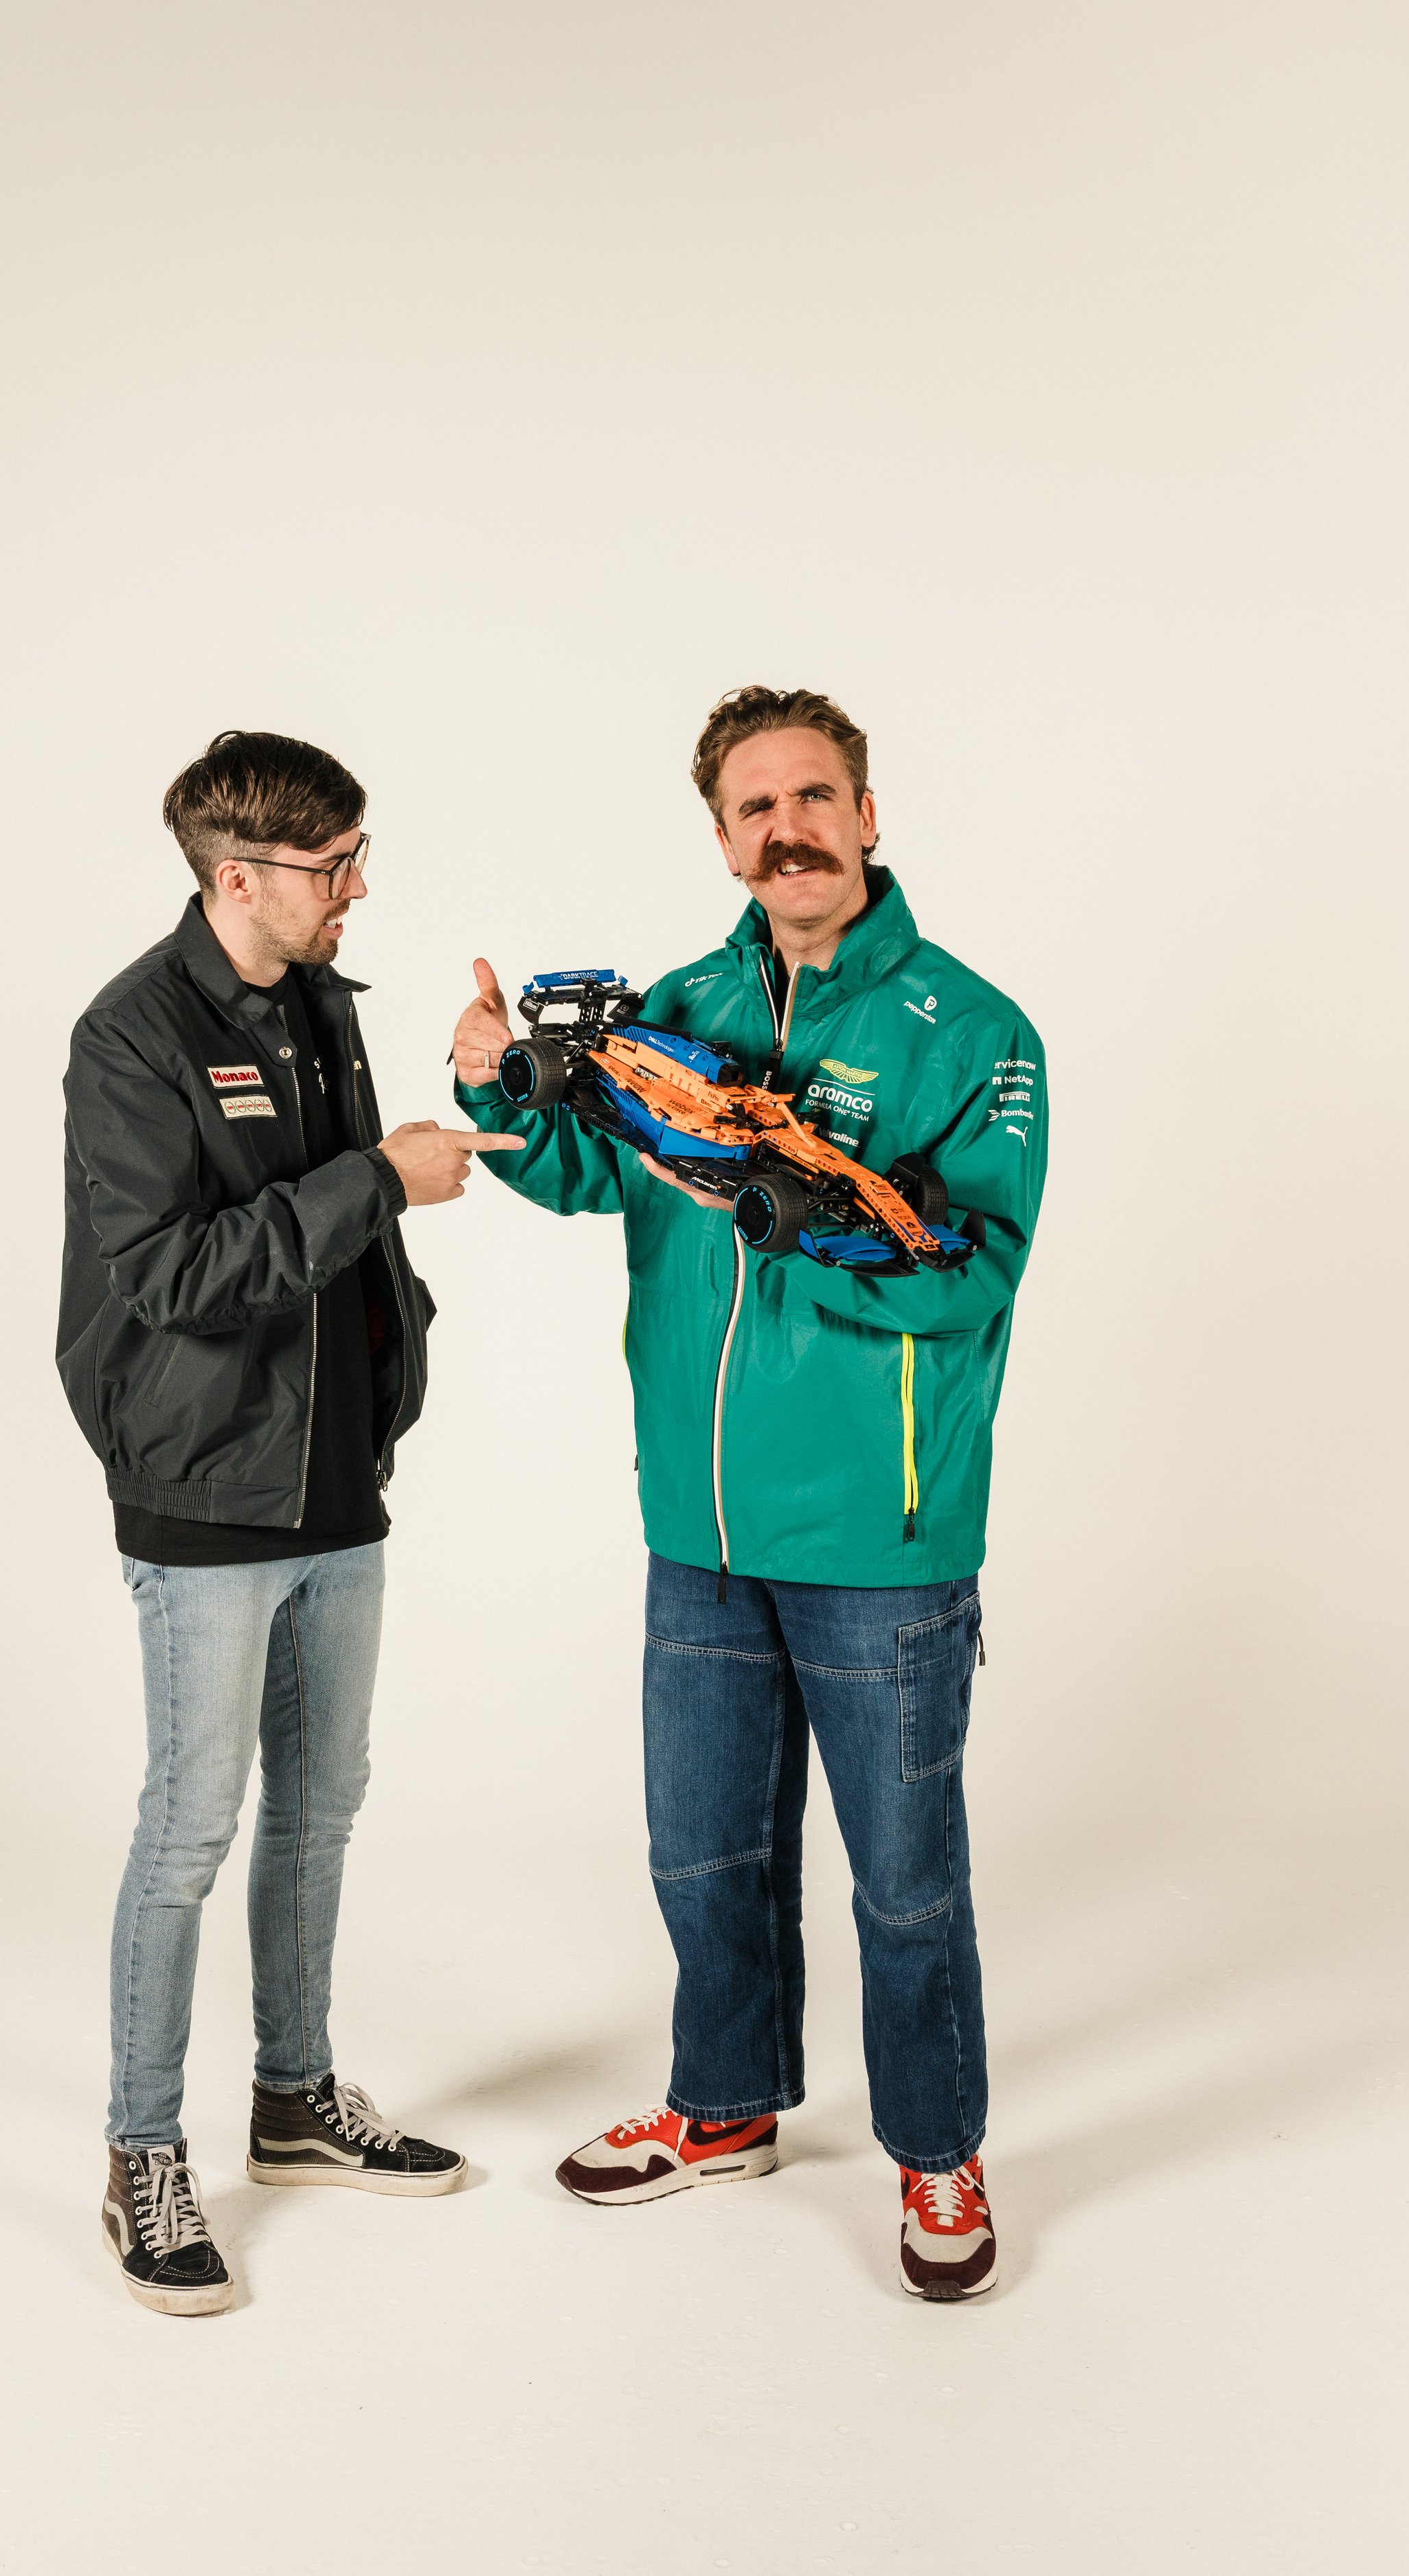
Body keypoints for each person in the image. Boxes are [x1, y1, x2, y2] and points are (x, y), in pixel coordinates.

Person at [450, 686, 1047, 2299]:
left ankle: (936, 2153)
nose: (784, 829)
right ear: (719, 835)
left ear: (865, 816)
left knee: (903, 1881)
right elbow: (591, 1177)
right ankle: (724, 2107)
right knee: (702, 1850)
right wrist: (514, 1087)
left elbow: (968, 1274)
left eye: (813, 798)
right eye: (750, 808)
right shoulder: (681, 1007)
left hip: (878, 1530)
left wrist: (806, 1205)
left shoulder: (970, 1031)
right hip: (694, 1523)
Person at [60, 728, 522, 2315]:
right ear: (236, 874)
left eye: (357, 856)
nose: (359, 886)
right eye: (333, 867)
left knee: (322, 1809)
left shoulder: (323, 1003)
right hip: (200, 1492)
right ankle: (139, 2152)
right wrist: (383, 1189)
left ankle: (292, 2097)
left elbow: (347, 1211)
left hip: (336, 1480)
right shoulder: (131, 1037)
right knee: (188, 1831)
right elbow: (170, 1280)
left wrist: (475, 1101)